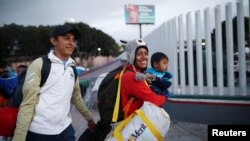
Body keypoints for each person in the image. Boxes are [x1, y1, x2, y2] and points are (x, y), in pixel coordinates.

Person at [12, 24, 95, 141]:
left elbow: (76, 97)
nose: (71, 43)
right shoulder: (40, 64)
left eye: (73, 40)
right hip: (39, 132)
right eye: (66, 38)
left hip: (65, 130)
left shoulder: (72, 67)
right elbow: (27, 104)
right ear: (53, 41)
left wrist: (89, 118)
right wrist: (19, 137)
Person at [121, 39, 167, 118]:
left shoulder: (140, 73)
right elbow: (153, 100)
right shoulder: (131, 76)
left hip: (138, 121)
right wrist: (166, 97)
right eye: (139, 54)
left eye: (146, 53)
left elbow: (157, 83)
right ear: (132, 56)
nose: (144, 57)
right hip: (132, 124)